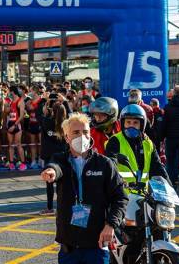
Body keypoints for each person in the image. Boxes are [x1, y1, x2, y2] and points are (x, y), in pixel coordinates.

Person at [40, 113, 127, 264]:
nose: (82, 136)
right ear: (67, 137)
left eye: (85, 132)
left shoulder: (104, 163)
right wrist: (51, 172)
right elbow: (56, 167)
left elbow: (120, 197)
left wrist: (111, 225)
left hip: (97, 244)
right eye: (76, 132)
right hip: (69, 246)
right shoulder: (60, 159)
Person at [105, 104, 170, 188]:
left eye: (135, 122)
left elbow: (158, 168)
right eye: (128, 122)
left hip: (144, 196)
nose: (131, 125)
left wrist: (169, 188)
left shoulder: (148, 143)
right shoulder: (115, 141)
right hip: (123, 194)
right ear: (123, 123)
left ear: (142, 125)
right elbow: (111, 164)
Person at [39, 102, 67, 216]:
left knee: (49, 182)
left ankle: (50, 208)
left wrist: (45, 109)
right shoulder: (66, 123)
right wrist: (64, 102)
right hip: (62, 154)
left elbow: (41, 116)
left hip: (49, 155)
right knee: (62, 182)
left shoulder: (46, 121)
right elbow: (69, 113)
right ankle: (63, 207)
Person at [6, 86, 27, 171]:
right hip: (10, 124)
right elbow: (8, 113)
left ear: (12, 92)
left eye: (9, 92)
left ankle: (23, 163)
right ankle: (11, 163)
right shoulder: (11, 101)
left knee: (18, 144)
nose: (8, 93)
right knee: (10, 145)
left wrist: (14, 125)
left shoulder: (20, 101)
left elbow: (22, 116)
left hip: (16, 125)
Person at [26, 85, 43, 169]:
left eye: (31, 91)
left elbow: (38, 110)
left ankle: (40, 159)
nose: (29, 92)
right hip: (31, 123)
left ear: (35, 92)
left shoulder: (41, 100)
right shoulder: (29, 101)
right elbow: (28, 108)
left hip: (39, 124)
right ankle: (33, 161)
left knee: (40, 143)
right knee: (32, 143)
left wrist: (32, 107)